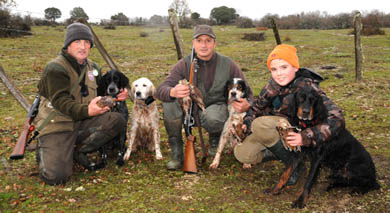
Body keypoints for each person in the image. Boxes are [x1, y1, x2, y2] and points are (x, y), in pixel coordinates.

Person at [233, 44, 345, 185]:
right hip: (276, 130)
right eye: (274, 69)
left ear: (295, 67)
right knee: (243, 154)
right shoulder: (272, 85)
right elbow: (255, 108)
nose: (279, 73)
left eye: (284, 67)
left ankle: (296, 164)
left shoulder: (307, 86)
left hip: (297, 132)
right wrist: (246, 124)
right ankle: (281, 153)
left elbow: (337, 118)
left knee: (260, 124)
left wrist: (305, 137)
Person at [34, 23, 128, 185]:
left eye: (87, 43)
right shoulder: (55, 68)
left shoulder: (93, 68)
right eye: (77, 42)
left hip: (83, 122)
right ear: (68, 44)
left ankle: (77, 150)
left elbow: (101, 92)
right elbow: (61, 102)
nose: (83, 47)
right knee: (57, 177)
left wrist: (121, 93)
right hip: (58, 125)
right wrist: (88, 110)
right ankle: (47, 148)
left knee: (117, 119)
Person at [157, 25, 254, 170]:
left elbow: (249, 92)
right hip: (190, 113)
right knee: (169, 104)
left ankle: (215, 138)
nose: (203, 45)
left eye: (208, 41)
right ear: (193, 44)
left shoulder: (228, 64)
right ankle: (176, 151)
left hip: (215, 111)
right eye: (199, 40)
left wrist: (248, 104)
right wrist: (173, 92)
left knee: (214, 118)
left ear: (214, 43)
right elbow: (161, 89)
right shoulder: (184, 64)